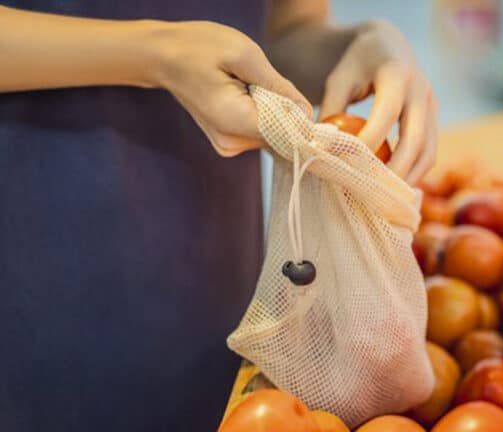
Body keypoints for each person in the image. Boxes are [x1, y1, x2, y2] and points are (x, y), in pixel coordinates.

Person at [0, 1, 437, 430]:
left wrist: (359, 46)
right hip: (42, 254)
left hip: (216, 259)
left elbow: (283, 33)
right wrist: (154, 53)